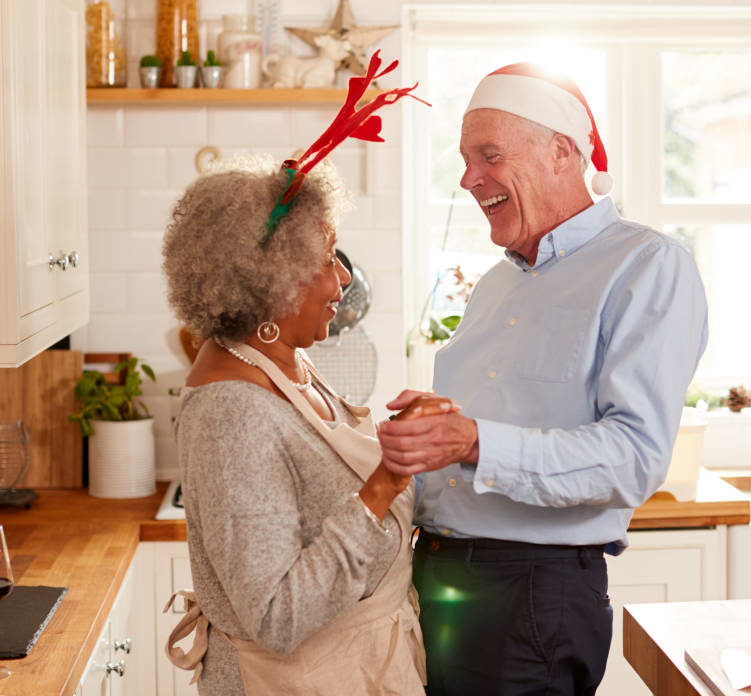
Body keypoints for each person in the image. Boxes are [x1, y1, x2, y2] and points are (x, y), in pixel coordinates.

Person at [377, 62, 709, 695]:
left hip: (528, 594)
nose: (469, 178)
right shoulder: (499, 282)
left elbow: (635, 459)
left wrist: (472, 441)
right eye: (465, 159)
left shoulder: (647, 266)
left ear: (562, 152)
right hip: (439, 580)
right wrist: (434, 432)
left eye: (489, 155)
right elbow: (499, 421)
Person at [160, 53, 431, 695]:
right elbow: (276, 617)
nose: (341, 279)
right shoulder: (232, 412)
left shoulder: (286, 366)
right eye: (327, 257)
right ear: (272, 277)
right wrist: (384, 484)